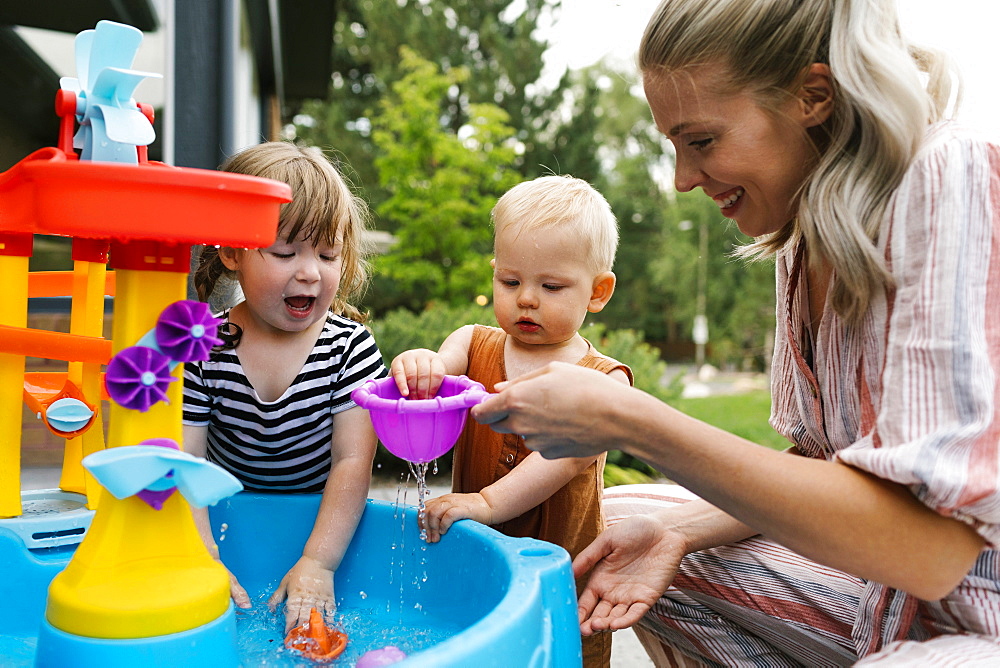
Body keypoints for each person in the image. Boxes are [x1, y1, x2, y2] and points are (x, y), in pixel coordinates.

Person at [471, 0, 1000, 664]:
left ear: (814, 96)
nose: (683, 179)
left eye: (701, 141)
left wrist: (631, 419)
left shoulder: (948, 174)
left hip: (972, 619)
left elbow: (930, 549)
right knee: (621, 529)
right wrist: (679, 532)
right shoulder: (804, 236)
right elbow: (816, 463)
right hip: (873, 599)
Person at [391, 175, 634, 667]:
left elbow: (561, 458)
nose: (526, 298)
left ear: (598, 291)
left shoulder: (605, 382)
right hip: (479, 562)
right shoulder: (471, 342)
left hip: (560, 582)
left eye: (551, 285)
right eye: (511, 281)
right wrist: (419, 363)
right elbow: (437, 373)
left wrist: (486, 502)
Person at [182, 142, 387, 633]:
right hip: (229, 528)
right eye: (284, 251)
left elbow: (353, 462)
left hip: (322, 530)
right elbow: (184, 462)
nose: (309, 271)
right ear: (232, 250)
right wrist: (199, 556)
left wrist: (319, 563)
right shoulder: (203, 346)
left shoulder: (348, 349)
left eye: (328, 253)